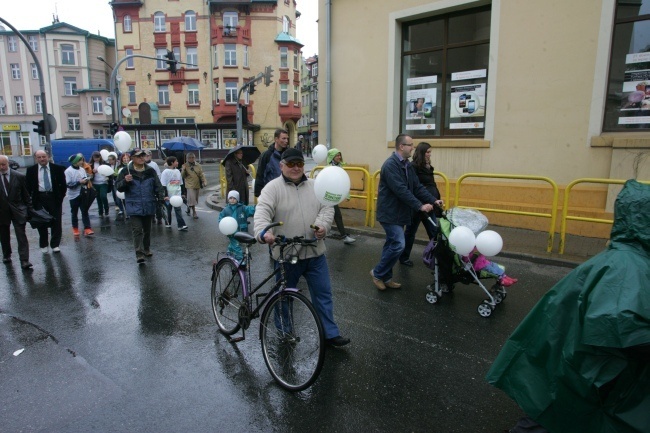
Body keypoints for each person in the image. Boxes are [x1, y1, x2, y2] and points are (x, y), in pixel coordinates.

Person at [486, 179, 650, 433]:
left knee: (552, 413)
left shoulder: (628, 259)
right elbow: (617, 324)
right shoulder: (626, 265)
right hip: (583, 372)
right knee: (555, 414)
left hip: (575, 364)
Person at [253, 148, 350, 347]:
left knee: (323, 295)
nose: (296, 168)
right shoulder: (272, 188)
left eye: (299, 164)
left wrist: (323, 226)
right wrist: (263, 232)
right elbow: (262, 212)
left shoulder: (316, 186)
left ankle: (329, 334)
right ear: (282, 166)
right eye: (290, 164)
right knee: (284, 297)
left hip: (315, 253)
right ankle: (285, 332)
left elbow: (327, 207)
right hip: (287, 255)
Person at [370, 134, 441, 290]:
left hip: (400, 213)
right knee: (398, 244)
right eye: (410, 145)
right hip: (389, 213)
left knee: (391, 244)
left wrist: (432, 200)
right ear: (401, 146)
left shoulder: (407, 165)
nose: (413, 148)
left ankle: (386, 277)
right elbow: (401, 190)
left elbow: (417, 187)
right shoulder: (390, 165)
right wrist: (419, 206)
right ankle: (377, 272)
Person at [115, 148, 165, 264]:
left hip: (148, 204)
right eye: (139, 156)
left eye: (143, 156)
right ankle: (139, 253)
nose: (142, 158)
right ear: (132, 158)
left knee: (147, 230)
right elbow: (118, 187)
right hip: (133, 205)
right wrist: (125, 181)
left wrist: (161, 198)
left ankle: (146, 248)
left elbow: (158, 185)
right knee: (137, 230)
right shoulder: (125, 171)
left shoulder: (150, 171)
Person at [399, 142, 442, 266]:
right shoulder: (413, 167)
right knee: (411, 232)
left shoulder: (427, 166)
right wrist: (419, 204)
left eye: (430, 152)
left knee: (434, 232)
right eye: (427, 152)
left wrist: (435, 199)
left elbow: (430, 185)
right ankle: (404, 257)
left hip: (429, 205)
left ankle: (437, 258)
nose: (429, 154)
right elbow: (415, 187)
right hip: (418, 206)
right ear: (421, 152)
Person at [26, 150, 67, 253]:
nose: (42, 159)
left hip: (54, 198)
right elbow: (28, 187)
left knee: (56, 221)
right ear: (36, 158)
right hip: (39, 198)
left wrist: (60, 197)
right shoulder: (31, 170)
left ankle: (55, 244)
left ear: (48, 156)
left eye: (43, 156)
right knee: (41, 221)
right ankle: (44, 244)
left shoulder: (57, 169)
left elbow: (63, 184)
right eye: (39, 157)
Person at [0, 155, 33, 269]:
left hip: (18, 210)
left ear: (8, 163)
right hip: (2, 211)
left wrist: (29, 210)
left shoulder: (18, 176)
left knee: (21, 235)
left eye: (3, 164)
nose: (1, 167)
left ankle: (24, 260)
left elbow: (26, 195)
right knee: (4, 235)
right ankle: (7, 254)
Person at [326, 148, 356, 244]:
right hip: (327, 196)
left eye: (340, 155)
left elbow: (343, 182)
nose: (339, 157)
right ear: (332, 157)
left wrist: (346, 194)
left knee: (333, 216)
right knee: (336, 215)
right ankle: (343, 236)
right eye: (337, 155)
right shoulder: (329, 168)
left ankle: (321, 235)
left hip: (333, 196)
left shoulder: (339, 167)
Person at [219, 190, 255, 261]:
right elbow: (221, 220)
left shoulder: (243, 208)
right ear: (228, 199)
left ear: (237, 199)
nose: (232, 200)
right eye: (230, 198)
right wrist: (223, 225)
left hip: (242, 231)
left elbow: (251, 209)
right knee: (236, 245)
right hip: (231, 233)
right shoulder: (225, 210)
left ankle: (229, 252)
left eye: (234, 198)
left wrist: (258, 207)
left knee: (234, 244)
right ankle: (240, 260)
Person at [64, 153, 94, 237]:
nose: (82, 162)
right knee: (74, 212)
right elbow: (68, 185)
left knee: (84, 210)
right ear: (75, 162)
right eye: (80, 160)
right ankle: (75, 228)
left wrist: (87, 179)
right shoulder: (68, 171)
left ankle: (87, 228)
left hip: (83, 193)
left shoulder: (82, 169)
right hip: (73, 195)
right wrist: (78, 182)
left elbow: (85, 179)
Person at [254, 128, 289, 197]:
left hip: (287, 192)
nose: (286, 141)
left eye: (287, 138)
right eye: (283, 138)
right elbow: (260, 175)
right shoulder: (267, 155)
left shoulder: (289, 154)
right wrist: (258, 194)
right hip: (272, 193)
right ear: (276, 139)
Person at [160, 156, 188, 231]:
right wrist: (165, 195)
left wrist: (183, 193)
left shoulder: (178, 171)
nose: (178, 162)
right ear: (172, 163)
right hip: (169, 195)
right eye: (176, 161)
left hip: (177, 194)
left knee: (178, 209)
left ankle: (181, 225)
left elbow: (181, 183)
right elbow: (163, 184)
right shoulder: (165, 172)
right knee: (169, 209)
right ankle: (168, 222)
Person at [181, 152, 206, 219]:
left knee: (195, 199)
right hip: (189, 185)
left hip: (197, 184)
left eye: (193, 157)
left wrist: (204, 181)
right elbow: (183, 176)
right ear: (187, 158)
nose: (191, 159)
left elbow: (201, 174)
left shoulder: (198, 165)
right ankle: (194, 212)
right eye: (189, 158)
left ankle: (189, 206)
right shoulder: (185, 165)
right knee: (192, 199)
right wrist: (183, 170)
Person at [89, 151, 110, 218]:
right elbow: (88, 174)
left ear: (100, 157)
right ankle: (100, 212)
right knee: (98, 198)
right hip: (95, 183)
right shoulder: (91, 165)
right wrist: (93, 172)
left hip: (103, 182)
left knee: (103, 196)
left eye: (97, 158)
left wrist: (106, 175)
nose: (96, 159)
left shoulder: (104, 164)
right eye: (95, 158)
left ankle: (106, 208)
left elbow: (109, 173)